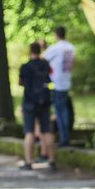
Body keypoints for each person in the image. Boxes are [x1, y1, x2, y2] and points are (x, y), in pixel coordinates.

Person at [18, 42, 55, 171]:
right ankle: (51, 160)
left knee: (29, 132)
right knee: (46, 131)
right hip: (44, 102)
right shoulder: (45, 64)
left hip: (29, 102)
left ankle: (29, 161)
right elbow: (50, 78)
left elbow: (21, 82)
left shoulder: (25, 67)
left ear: (30, 51)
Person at [43, 26, 75, 148]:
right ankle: (65, 136)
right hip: (66, 83)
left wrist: (44, 46)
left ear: (56, 35)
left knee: (60, 112)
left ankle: (63, 139)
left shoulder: (56, 48)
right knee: (65, 112)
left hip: (57, 84)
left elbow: (44, 57)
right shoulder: (70, 47)